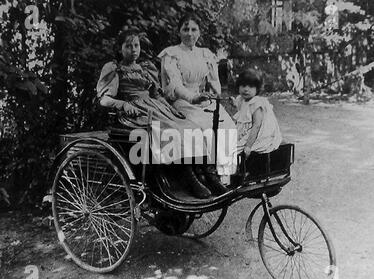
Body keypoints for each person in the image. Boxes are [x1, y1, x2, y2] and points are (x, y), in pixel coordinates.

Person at [96, 29, 213, 199]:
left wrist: (171, 108)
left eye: (136, 45)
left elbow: (156, 94)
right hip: (134, 113)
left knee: (189, 126)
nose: (134, 49)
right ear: (120, 48)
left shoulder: (145, 68)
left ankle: (198, 172)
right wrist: (123, 104)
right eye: (128, 46)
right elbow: (104, 99)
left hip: (155, 107)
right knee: (170, 130)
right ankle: (186, 176)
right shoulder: (115, 69)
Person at [158, 13, 238, 194]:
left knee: (226, 125)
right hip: (181, 100)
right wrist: (193, 98)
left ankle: (215, 173)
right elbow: (176, 85)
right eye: (185, 29)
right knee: (202, 126)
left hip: (203, 98)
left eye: (194, 29)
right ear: (179, 31)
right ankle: (193, 175)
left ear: (199, 32)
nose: (189, 33)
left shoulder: (205, 54)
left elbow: (215, 81)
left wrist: (218, 95)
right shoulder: (171, 54)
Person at [232, 69, 282, 158]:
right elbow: (242, 112)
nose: (246, 89)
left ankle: (230, 167)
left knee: (232, 149)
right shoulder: (241, 99)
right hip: (243, 131)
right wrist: (233, 103)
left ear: (257, 89)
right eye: (243, 86)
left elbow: (256, 125)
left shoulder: (256, 103)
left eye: (251, 86)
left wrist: (248, 146)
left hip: (254, 135)